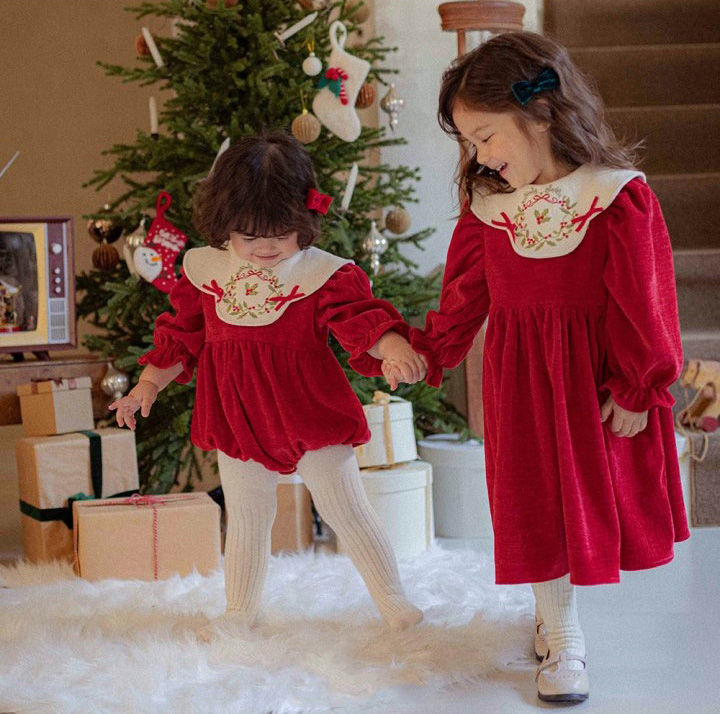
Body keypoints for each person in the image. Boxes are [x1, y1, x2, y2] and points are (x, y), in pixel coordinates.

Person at [384, 31, 689, 704]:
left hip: (591, 381)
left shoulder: (615, 196)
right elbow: (462, 302)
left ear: (541, 113)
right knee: (534, 503)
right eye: (469, 143)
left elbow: (644, 300)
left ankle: (559, 625)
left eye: (485, 135)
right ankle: (562, 632)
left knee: (583, 503)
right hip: (519, 380)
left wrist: (637, 385)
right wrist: (425, 351)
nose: (479, 156)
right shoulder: (490, 211)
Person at [109, 131, 426, 640]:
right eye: (249, 235)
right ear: (224, 225)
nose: (266, 247)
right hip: (239, 416)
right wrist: (147, 384)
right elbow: (181, 339)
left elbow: (360, 320)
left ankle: (393, 599)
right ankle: (240, 610)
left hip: (311, 413)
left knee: (347, 510)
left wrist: (392, 348)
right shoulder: (208, 272)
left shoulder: (321, 275)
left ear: (305, 219)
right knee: (247, 517)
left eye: (281, 233)